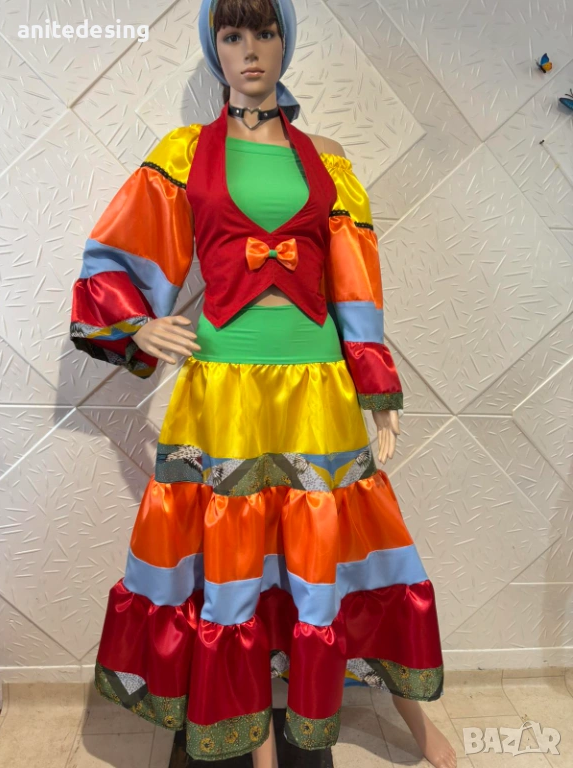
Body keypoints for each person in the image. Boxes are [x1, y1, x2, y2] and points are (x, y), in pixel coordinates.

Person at [69, 0, 456, 766]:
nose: (250, 49)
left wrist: (376, 388)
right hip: (224, 391)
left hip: (317, 388)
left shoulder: (328, 158)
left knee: (346, 550)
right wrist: (136, 324)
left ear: (286, 43)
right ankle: (255, 742)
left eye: (265, 32)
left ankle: (412, 719)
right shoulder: (184, 153)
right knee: (234, 562)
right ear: (215, 48)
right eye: (233, 34)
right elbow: (115, 254)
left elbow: (355, 283)